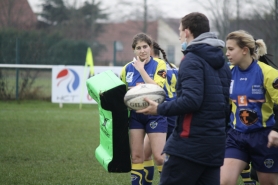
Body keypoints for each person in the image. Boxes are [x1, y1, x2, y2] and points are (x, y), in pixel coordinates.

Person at [137, 12, 231, 185]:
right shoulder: (222, 62)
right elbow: (226, 107)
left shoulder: (192, 59)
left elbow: (191, 101)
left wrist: (158, 108)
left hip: (190, 145)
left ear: (187, 32)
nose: (180, 35)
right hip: (215, 145)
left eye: (180, 31)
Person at [220, 30, 278, 185]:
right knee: (224, 181)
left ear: (245, 50)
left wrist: (276, 130)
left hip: (264, 138)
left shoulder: (268, 73)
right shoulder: (228, 73)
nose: (227, 54)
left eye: (231, 49)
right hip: (236, 136)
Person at [120, 33, 167, 185]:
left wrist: (141, 69)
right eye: (138, 48)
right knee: (137, 157)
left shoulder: (159, 64)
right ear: (134, 50)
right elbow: (122, 93)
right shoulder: (127, 69)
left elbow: (158, 88)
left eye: (145, 46)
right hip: (136, 117)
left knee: (159, 157)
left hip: (155, 114)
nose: (142, 51)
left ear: (150, 47)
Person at [142, 40, 178, 185]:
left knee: (161, 156)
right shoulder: (173, 67)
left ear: (151, 53)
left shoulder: (154, 70)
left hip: (163, 113)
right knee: (145, 154)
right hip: (173, 112)